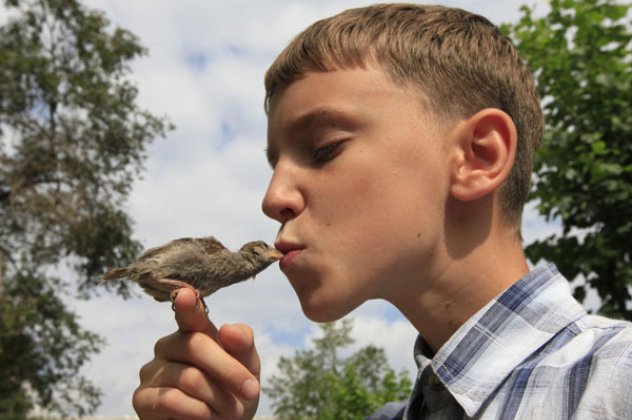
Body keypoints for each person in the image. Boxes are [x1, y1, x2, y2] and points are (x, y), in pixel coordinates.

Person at [132, 4, 632, 419]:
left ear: (478, 156)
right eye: (274, 163)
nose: (273, 197)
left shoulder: (616, 383)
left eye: (324, 147)